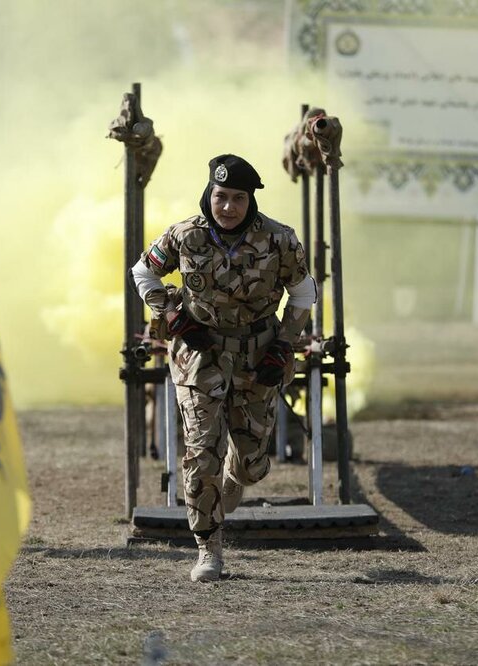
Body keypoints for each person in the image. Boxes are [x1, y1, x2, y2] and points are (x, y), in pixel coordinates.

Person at [130, 154, 316, 582]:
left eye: (238, 198)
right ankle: (208, 548)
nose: (228, 207)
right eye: (221, 196)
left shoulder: (280, 240)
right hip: (199, 354)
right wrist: (169, 313)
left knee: (253, 463)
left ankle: (236, 473)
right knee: (200, 450)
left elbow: (303, 292)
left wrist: (284, 344)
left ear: (250, 201)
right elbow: (143, 272)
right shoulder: (185, 236)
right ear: (209, 195)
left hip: (258, 354)